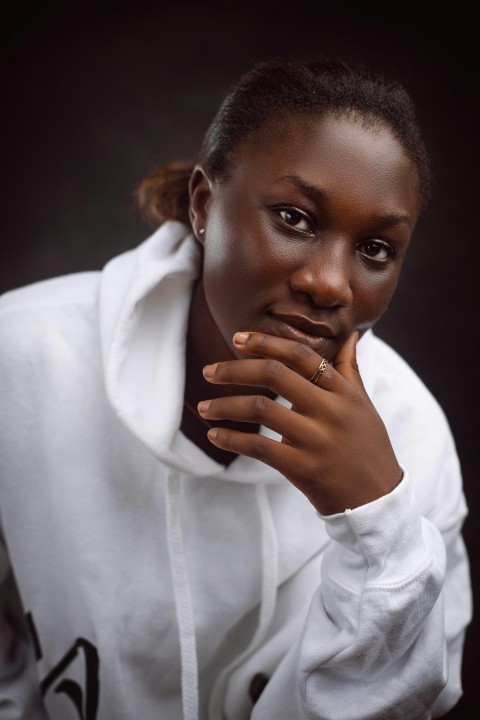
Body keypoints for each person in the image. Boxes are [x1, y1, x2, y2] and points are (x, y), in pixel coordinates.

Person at [0, 58, 472, 720]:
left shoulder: (415, 441)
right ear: (203, 204)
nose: (330, 284)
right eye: (295, 218)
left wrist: (377, 524)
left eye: (374, 250)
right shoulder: (20, 360)